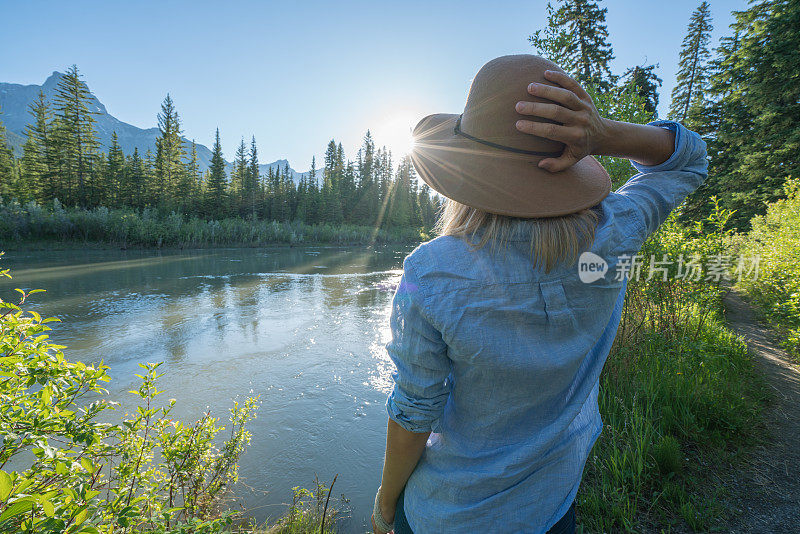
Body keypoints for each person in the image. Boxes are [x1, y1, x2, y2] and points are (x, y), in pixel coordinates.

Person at [371, 54, 707, 534]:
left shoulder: (432, 271)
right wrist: (604, 133)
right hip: (550, 506)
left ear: (465, 169)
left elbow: (415, 409)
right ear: (573, 151)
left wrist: (387, 501)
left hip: (448, 514)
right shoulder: (616, 232)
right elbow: (690, 157)